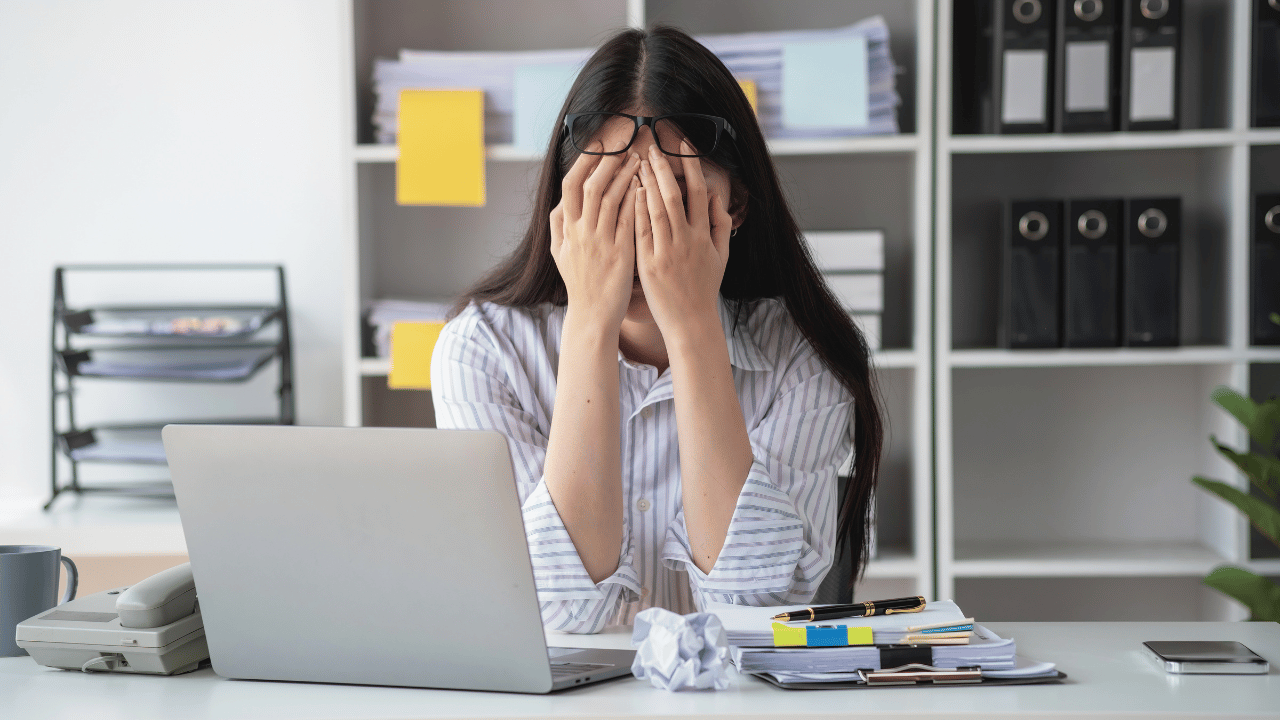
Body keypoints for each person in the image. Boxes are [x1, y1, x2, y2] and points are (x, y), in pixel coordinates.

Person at [431, 25, 883, 634]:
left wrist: (694, 325)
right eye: (610, 201)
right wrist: (590, 322)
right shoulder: (481, 350)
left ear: (737, 207)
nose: (644, 244)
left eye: (677, 205)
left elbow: (755, 607)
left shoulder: (803, 355)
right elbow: (562, 611)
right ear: (563, 206)